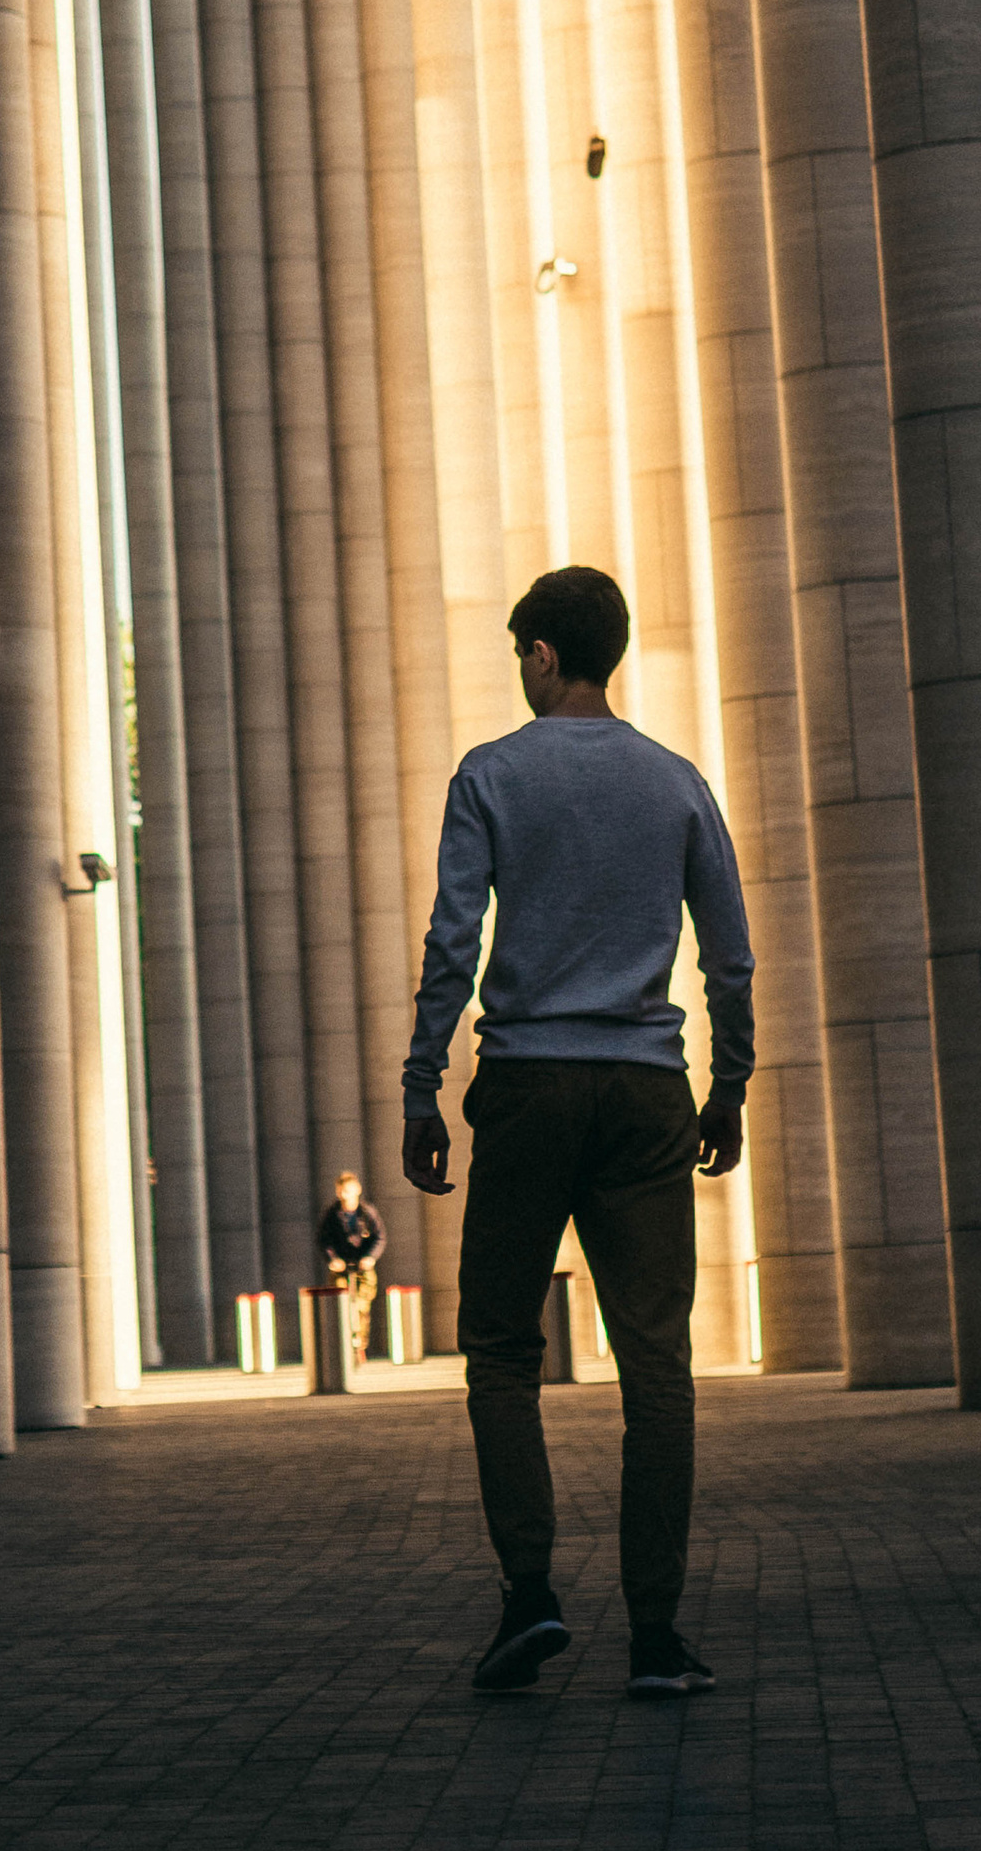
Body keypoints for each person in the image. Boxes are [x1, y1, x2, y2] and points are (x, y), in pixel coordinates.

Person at [402, 563, 751, 1703]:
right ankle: (656, 1636)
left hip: (531, 1087)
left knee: (502, 1347)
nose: (519, 673)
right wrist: (727, 1084)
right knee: (656, 1363)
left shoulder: (491, 776)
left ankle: (530, 1597)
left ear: (545, 656)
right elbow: (728, 953)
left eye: (520, 655)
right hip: (646, 1089)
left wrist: (421, 1085)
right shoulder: (677, 783)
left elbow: (454, 945)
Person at [319, 1168, 386, 1353]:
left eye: (348, 1190)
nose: (345, 1195)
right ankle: (342, 1344)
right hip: (341, 1267)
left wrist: (370, 1258)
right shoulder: (332, 1215)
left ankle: (359, 1342)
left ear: (357, 1190)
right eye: (341, 1191)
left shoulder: (367, 1213)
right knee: (340, 1303)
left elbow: (379, 1238)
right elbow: (324, 1240)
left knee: (362, 1304)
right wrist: (332, 1259)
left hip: (363, 1266)